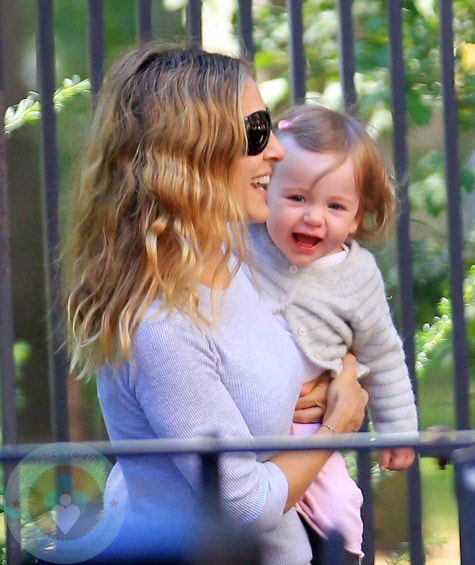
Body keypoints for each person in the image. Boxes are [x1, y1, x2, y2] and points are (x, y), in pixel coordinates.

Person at [62, 44, 368, 564]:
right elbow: (243, 507)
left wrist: (336, 370)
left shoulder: (237, 256)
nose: (275, 150)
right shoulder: (161, 325)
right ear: (192, 152)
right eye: (256, 133)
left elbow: (325, 320)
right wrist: (338, 423)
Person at [246, 103, 418, 560]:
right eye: (297, 198)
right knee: (260, 522)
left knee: (342, 509)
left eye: (335, 205)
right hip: (244, 426)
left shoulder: (357, 275)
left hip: (309, 429)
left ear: (357, 217)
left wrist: (399, 430)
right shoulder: (242, 244)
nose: (314, 217)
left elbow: (383, 355)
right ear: (267, 190)